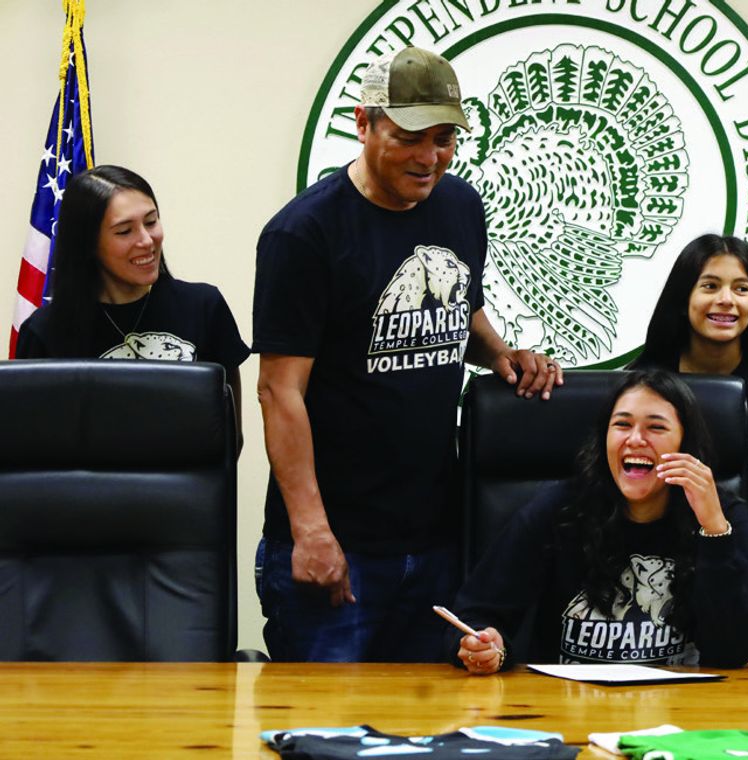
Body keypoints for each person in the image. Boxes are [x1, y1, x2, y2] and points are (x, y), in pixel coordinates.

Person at [252, 45, 561, 663]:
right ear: (364, 124)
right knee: (324, 741)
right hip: (339, 545)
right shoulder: (304, 234)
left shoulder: (459, 205)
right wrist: (311, 532)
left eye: (445, 139)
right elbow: (278, 390)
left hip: (435, 541)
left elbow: (457, 306)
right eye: (411, 136)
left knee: (431, 735)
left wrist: (501, 353)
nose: (430, 158)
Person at [450, 370, 748, 674]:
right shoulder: (560, 508)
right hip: (566, 705)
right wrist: (489, 647)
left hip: (681, 711)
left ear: (685, 445)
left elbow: (733, 651)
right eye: (622, 425)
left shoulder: (721, 515)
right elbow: (477, 613)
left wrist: (713, 531)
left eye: (656, 428)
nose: (636, 439)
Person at [632, 234, 748, 574]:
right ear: (684, 295)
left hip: (735, 568)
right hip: (646, 569)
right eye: (710, 286)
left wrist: (742, 583)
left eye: (741, 289)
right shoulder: (638, 387)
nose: (726, 300)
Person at [16, 165, 250, 432]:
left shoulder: (204, 306)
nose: (147, 241)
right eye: (124, 231)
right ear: (88, 243)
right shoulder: (44, 332)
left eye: (151, 221)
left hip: (189, 472)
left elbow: (228, 435)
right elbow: (31, 445)